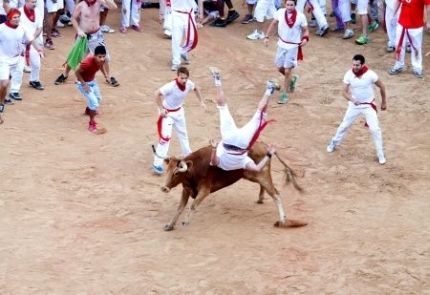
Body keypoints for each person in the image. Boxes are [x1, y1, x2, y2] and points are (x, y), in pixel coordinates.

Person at [208, 67, 277, 172]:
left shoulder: (242, 163)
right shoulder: (223, 165)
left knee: (259, 114)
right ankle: (217, 79)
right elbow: (213, 162)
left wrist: (269, 154)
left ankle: (269, 89)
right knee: (222, 107)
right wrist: (213, 148)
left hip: (242, 142)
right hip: (228, 138)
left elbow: (257, 168)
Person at [326, 54, 387, 165]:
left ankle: (380, 154)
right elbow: (343, 92)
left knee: (375, 130)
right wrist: (352, 100)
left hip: (368, 105)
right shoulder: (349, 74)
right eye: (353, 64)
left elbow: (382, 86)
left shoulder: (370, 74)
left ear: (362, 65)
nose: (354, 67)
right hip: (354, 106)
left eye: (357, 65)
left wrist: (383, 102)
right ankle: (333, 144)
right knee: (344, 126)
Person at [152, 66, 206, 175]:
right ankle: (157, 164)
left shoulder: (189, 84)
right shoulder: (171, 86)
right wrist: (161, 109)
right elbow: (156, 93)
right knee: (165, 139)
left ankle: (188, 156)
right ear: (177, 77)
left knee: (183, 134)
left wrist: (201, 101)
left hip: (179, 112)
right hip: (167, 114)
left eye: (186, 78)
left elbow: (196, 88)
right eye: (182, 78)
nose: (184, 80)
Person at [54, 0, 119, 86]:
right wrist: (78, 30)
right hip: (83, 36)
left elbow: (114, 7)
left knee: (104, 57)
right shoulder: (81, 5)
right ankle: (65, 74)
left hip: (96, 35)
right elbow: (73, 18)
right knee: (75, 56)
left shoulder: (99, 2)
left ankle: (108, 77)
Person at [0, 8, 43, 124]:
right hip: (3, 59)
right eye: (15, 17)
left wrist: (38, 47)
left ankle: (5, 99)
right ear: (9, 18)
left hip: (18, 57)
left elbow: (31, 39)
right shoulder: (1, 29)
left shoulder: (22, 27)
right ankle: (1, 102)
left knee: (14, 79)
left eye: (18, 17)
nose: (17, 19)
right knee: (4, 84)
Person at [264, 0, 309, 104]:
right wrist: (266, 36)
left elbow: (305, 30)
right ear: (285, 4)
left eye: (291, 5)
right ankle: (292, 80)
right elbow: (273, 23)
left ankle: (284, 94)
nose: (289, 7)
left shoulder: (300, 16)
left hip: (293, 46)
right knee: (280, 68)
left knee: (287, 70)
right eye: (288, 5)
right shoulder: (280, 12)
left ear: (295, 5)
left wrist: (305, 38)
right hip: (281, 44)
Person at [388, 0, 430, 78]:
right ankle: (398, 65)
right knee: (398, 45)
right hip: (402, 23)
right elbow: (397, 2)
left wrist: (428, 21)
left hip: (416, 25)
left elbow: (428, 6)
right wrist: (392, 14)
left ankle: (417, 67)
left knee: (416, 47)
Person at [74, 45, 108, 134]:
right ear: (94, 56)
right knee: (94, 102)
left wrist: (106, 75)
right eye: (99, 57)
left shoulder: (101, 61)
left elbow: (101, 66)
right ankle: (91, 124)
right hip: (83, 84)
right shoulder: (87, 63)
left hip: (93, 82)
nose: (102, 59)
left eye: (103, 56)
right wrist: (83, 83)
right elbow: (76, 72)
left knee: (98, 98)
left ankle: (88, 110)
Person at [168, 0, 203, 71]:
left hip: (189, 14)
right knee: (176, 40)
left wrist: (200, 12)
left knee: (193, 40)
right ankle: (176, 62)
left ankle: (182, 52)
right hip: (177, 15)